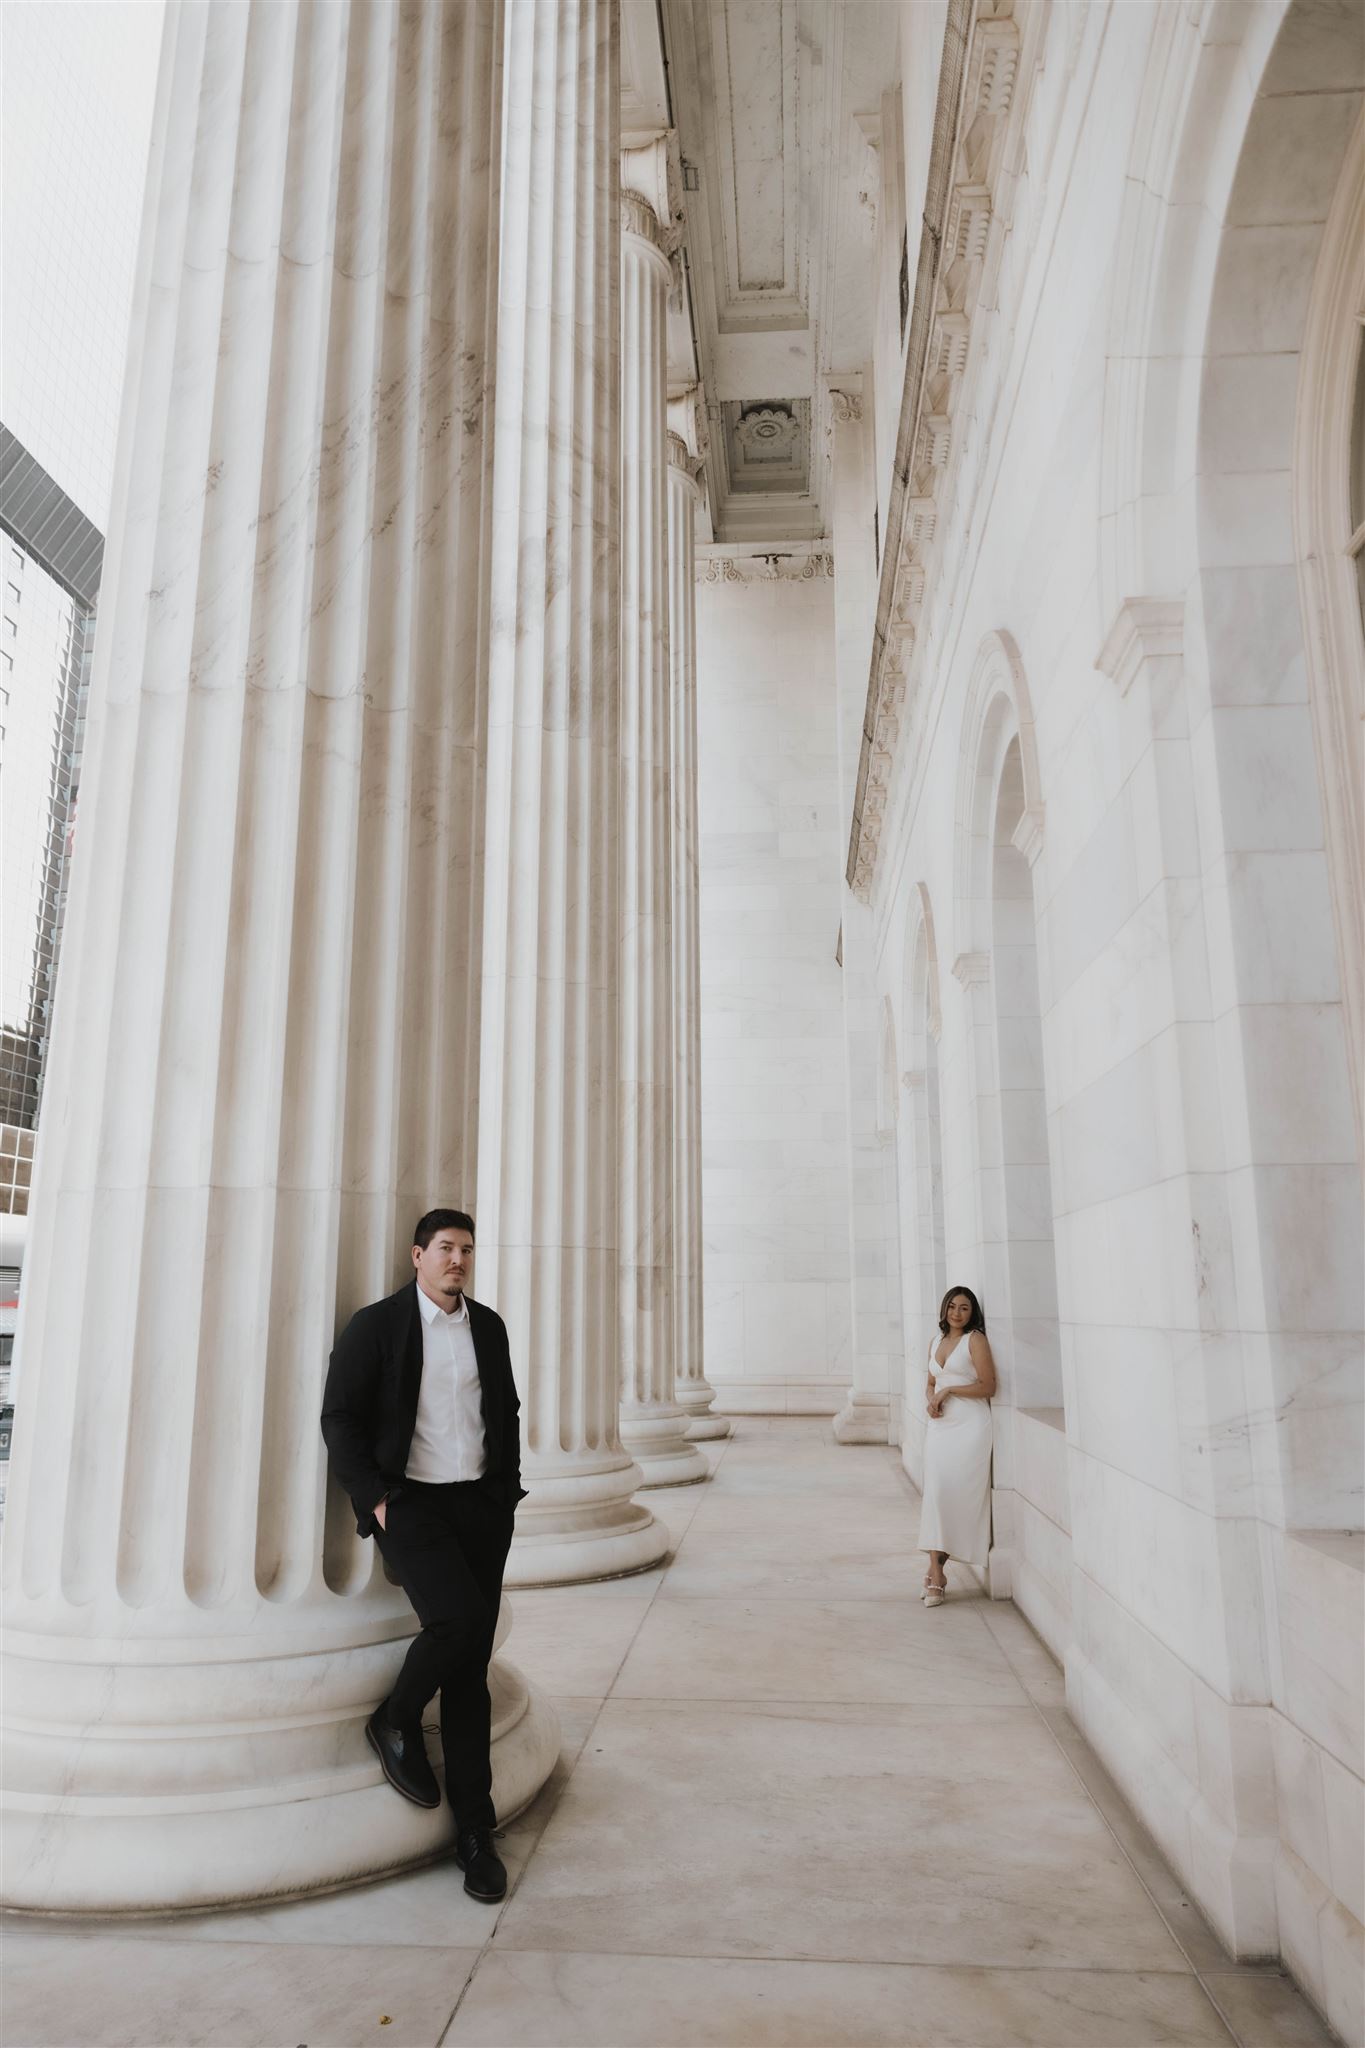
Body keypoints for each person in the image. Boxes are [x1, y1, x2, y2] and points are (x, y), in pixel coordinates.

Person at [321, 1208, 526, 1902]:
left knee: (470, 1672)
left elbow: (507, 1410)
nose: (457, 1260)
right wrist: (375, 1499)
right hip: (412, 1505)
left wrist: (507, 1493)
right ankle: (394, 1717)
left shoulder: (487, 1327)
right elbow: (339, 1416)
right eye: (445, 1248)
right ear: (417, 1255)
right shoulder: (377, 1326)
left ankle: (475, 1834)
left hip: (480, 1507)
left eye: (466, 1249)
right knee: (459, 1625)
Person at [919, 1284, 995, 1606]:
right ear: (944, 1309)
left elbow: (988, 1386)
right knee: (936, 1493)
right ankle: (937, 1571)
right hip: (940, 1428)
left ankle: (935, 1573)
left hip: (970, 1427)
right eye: (952, 1306)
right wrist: (931, 1400)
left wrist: (949, 1392)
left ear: (972, 1311)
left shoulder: (974, 1340)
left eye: (964, 1307)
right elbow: (931, 1383)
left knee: (956, 1498)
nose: (957, 1313)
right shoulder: (935, 1341)